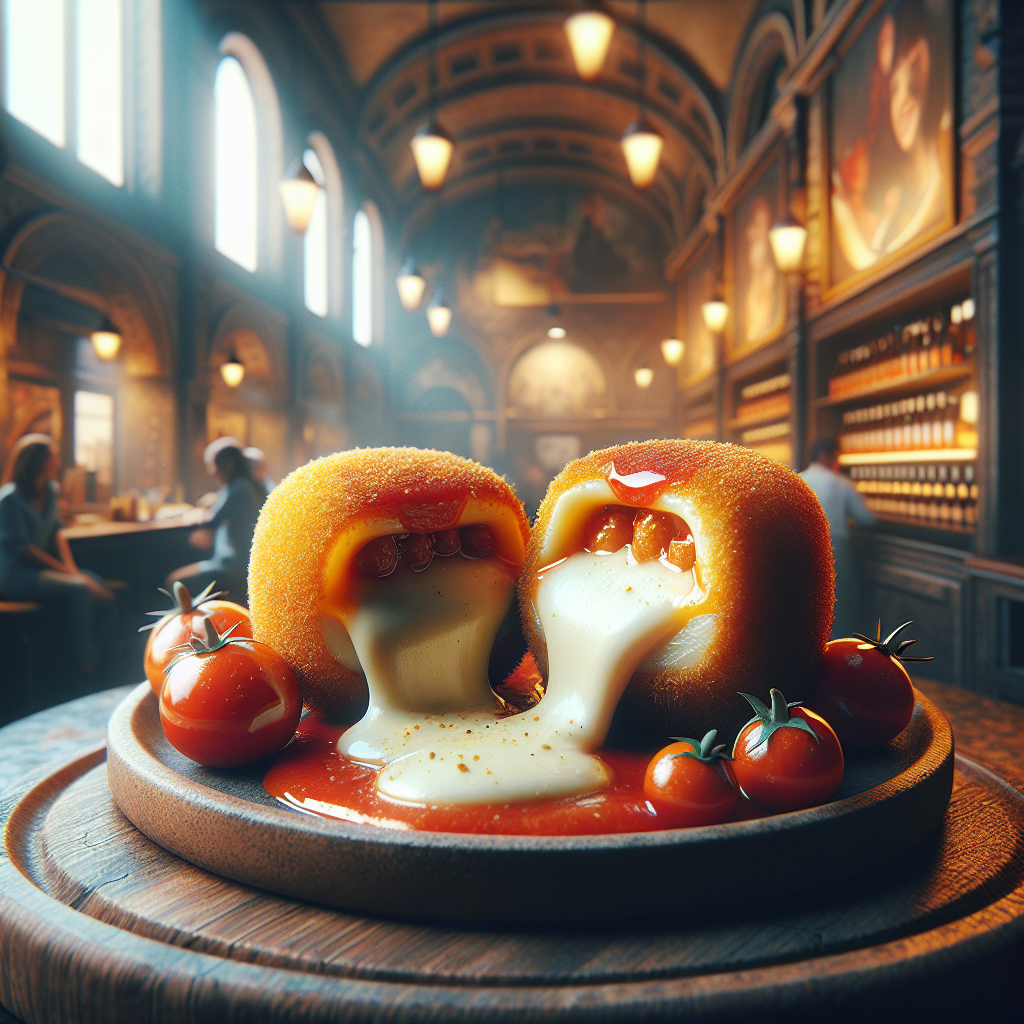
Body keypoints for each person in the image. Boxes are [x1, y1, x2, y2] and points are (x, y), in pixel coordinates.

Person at [0, 434, 115, 674]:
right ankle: (86, 667)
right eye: (53, 456)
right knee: (81, 588)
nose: (58, 461)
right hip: (17, 576)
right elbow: (24, 551)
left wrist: (73, 571)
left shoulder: (50, 491)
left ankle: (96, 657)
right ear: (37, 461)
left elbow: (57, 534)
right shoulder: (9, 499)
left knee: (97, 586)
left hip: (43, 570)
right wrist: (71, 576)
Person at [167, 438, 267, 605]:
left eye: (213, 466)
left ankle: (189, 628)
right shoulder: (249, 485)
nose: (211, 472)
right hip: (245, 565)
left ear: (226, 466)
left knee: (175, 582)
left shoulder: (237, 487)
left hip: (232, 568)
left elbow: (211, 520)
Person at [799, 438, 877, 639]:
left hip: (802, 548)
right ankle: (840, 655)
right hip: (835, 549)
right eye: (837, 457)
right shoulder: (840, 483)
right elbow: (867, 518)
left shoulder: (797, 479)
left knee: (808, 603)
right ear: (826, 456)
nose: (838, 463)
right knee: (840, 605)